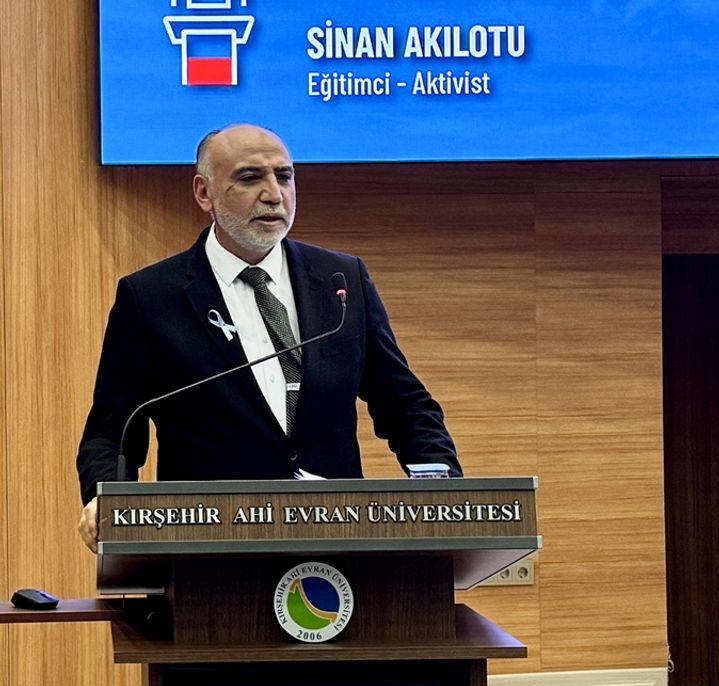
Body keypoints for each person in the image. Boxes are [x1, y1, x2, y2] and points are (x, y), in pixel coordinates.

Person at [76, 124, 460, 549]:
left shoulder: (340, 281)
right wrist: (106, 498)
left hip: (337, 545)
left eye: (284, 176)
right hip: (210, 549)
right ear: (204, 193)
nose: (274, 194)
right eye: (249, 178)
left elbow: (404, 404)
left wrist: (444, 487)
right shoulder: (151, 297)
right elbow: (113, 431)